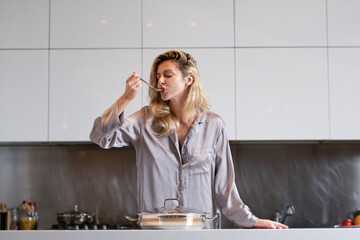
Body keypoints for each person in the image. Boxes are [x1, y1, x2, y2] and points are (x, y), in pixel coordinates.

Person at [90, 50, 288, 229]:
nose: (160, 81)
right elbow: (101, 137)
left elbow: (225, 189)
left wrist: (252, 221)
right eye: (158, 76)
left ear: (189, 80)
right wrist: (125, 99)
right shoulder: (144, 120)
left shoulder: (214, 125)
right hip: (155, 232)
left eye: (168, 75)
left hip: (201, 232)